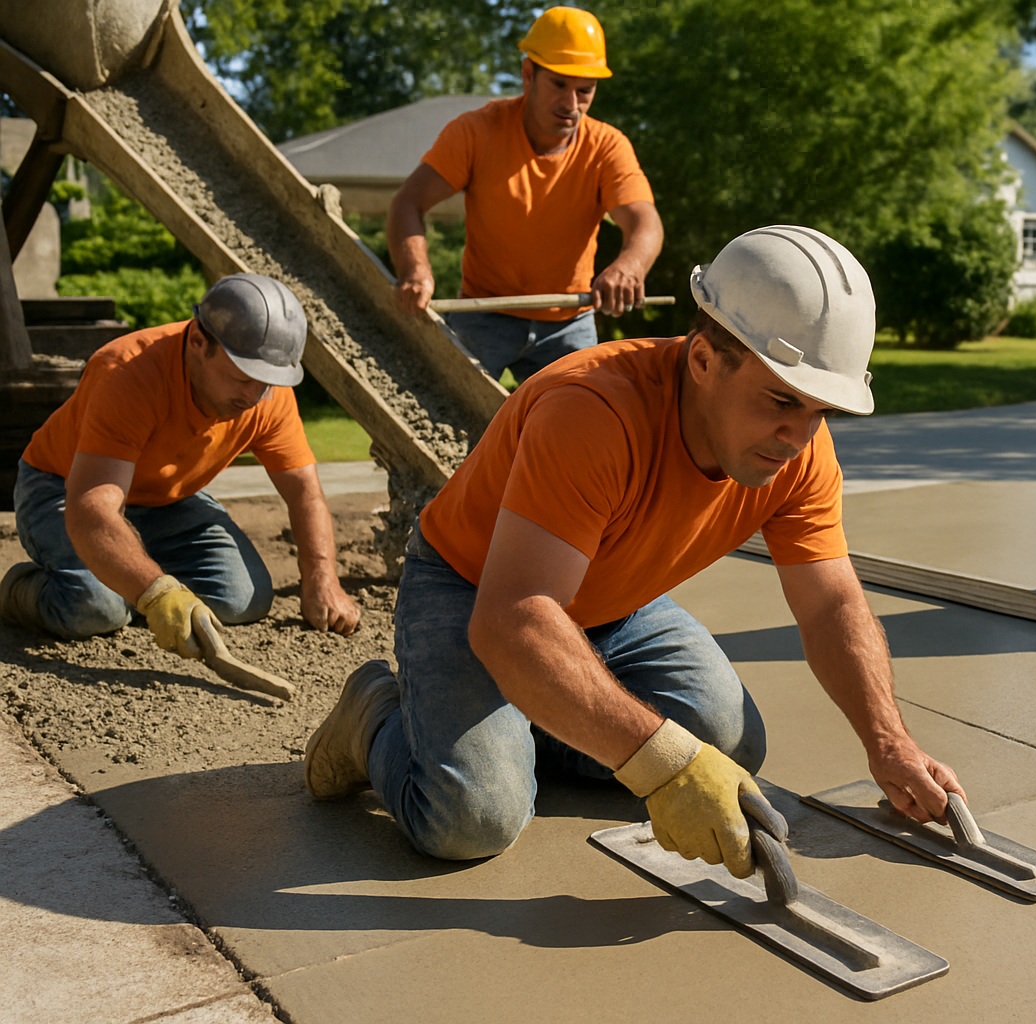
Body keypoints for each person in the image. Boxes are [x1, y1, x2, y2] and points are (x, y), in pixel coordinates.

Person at [305, 225, 964, 874]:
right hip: (476, 591)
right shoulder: (592, 412)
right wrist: (661, 764)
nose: (799, 436)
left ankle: (529, 708)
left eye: (822, 410)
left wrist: (889, 743)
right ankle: (378, 717)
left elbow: (831, 605)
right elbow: (514, 620)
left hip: (611, 602)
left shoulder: (797, 449)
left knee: (731, 744)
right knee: (473, 819)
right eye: (781, 400)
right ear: (704, 361)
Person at [0, 273, 361, 658]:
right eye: (243, 378)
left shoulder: (267, 396)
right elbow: (92, 512)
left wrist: (322, 577)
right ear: (198, 342)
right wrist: (158, 593)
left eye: (267, 382)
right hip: (64, 487)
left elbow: (304, 490)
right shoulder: (127, 372)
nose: (254, 396)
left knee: (242, 600)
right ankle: (19, 591)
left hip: (167, 500)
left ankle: (130, 577)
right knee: (95, 609)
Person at [386, 6, 663, 384]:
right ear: (528, 74)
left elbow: (645, 221)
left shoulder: (607, 147)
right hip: (483, 311)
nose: (572, 105)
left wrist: (629, 266)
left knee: (577, 429)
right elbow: (408, 203)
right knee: (444, 415)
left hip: (570, 320)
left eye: (585, 91)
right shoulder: (476, 132)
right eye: (559, 85)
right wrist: (415, 270)